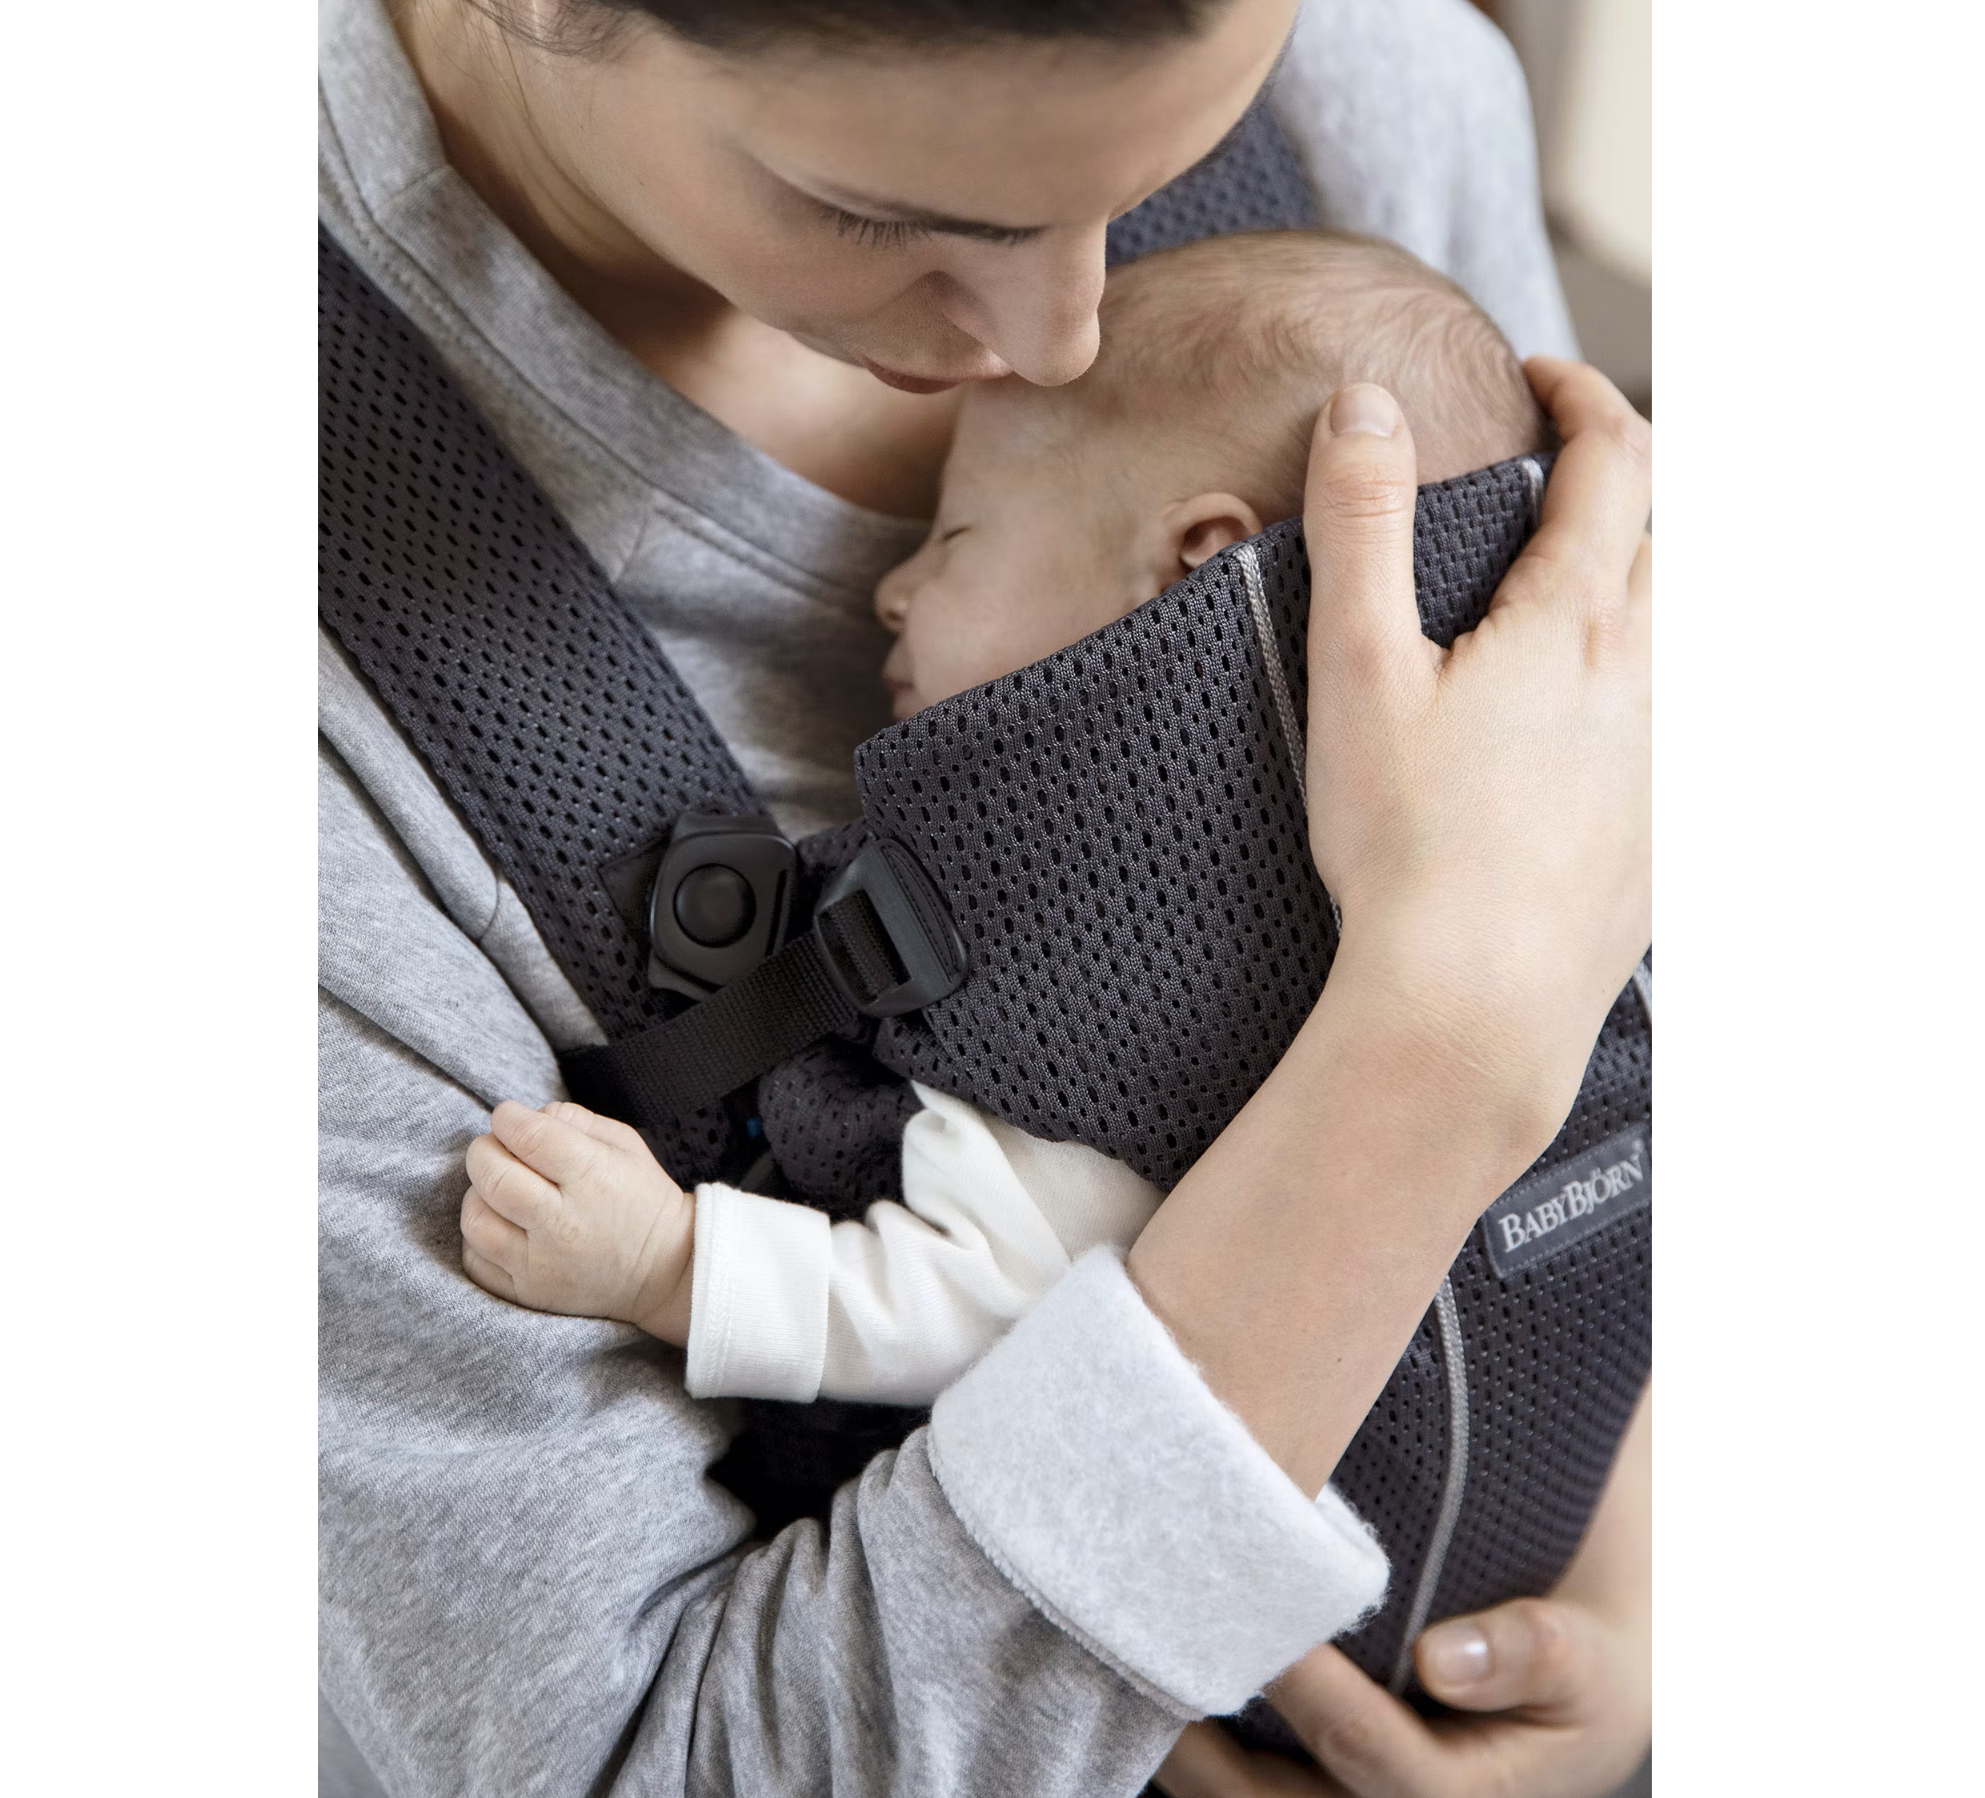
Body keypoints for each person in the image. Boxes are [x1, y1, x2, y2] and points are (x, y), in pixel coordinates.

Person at [317, 0, 1652, 1798]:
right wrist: (1431, 1061)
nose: (1056, 332)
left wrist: (1638, 1572)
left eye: (1160, 153)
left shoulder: (1372, 105)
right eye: (882, 213)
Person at [452, 227, 1554, 1419]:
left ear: (1195, 567)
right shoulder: (1517, 832)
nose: (892, 588)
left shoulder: (1115, 964)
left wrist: (672, 1263)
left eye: (955, 536)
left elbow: (978, 1302)